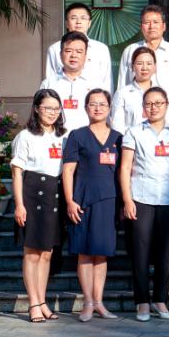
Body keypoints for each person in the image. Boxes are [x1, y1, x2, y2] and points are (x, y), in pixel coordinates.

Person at [119, 86, 169, 321]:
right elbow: (125, 167)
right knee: (141, 252)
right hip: (141, 198)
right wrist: (127, 199)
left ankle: (160, 300)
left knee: (165, 253)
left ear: (166, 105)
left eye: (158, 103)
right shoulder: (134, 132)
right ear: (143, 108)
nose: (153, 108)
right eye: (148, 104)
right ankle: (142, 302)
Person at [61, 88, 122, 322]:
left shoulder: (118, 138)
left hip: (109, 201)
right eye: (93, 104)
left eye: (102, 104)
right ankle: (87, 302)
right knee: (85, 253)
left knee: (102, 253)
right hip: (83, 200)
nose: (97, 108)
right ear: (86, 108)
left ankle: (99, 302)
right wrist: (70, 200)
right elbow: (68, 171)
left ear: (109, 108)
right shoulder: (77, 135)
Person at [11, 89, 68, 323]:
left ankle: (43, 301)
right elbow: (17, 173)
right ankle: (33, 303)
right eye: (47, 108)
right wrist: (19, 205)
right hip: (32, 193)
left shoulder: (64, 136)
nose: (52, 113)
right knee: (32, 252)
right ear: (36, 109)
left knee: (47, 253)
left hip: (55, 194)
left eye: (56, 108)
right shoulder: (25, 136)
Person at [117, 5, 169, 97]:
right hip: (137, 103)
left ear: (164, 26)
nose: (151, 26)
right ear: (141, 27)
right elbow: (122, 84)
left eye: (155, 22)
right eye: (147, 22)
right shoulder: (130, 50)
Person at [45, 2, 113, 91]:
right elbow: (50, 79)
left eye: (83, 18)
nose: (78, 22)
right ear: (66, 23)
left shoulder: (101, 49)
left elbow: (107, 81)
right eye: (73, 18)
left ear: (89, 23)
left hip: (93, 97)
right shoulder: (54, 48)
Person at [112, 46, 169, 132]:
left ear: (155, 67)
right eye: (139, 63)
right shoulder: (122, 94)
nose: (144, 68)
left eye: (149, 63)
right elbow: (117, 127)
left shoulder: (163, 93)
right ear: (132, 66)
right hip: (131, 139)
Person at [40, 31, 95, 130]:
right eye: (68, 51)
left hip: (86, 137)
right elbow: (40, 115)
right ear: (60, 54)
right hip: (55, 136)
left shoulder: (95, 84)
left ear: (85, 56)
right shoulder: (48, 84)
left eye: (79, 51)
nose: (73, 55)